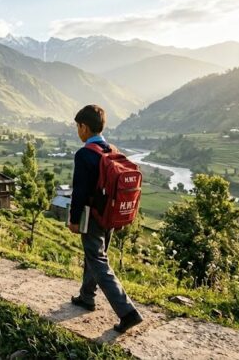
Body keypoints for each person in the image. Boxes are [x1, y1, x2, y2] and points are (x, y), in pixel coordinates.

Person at [68, 104, 143, 333]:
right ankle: (87, 297)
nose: (77, 131)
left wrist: (73, 219)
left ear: (85, 127)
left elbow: (79, 192)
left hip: (92, 215)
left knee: (98, 261)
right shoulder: (111, 149)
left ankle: (127, 312)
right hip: (110, 214)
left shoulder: (84, 154)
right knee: (96, 256)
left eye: (78, 127)